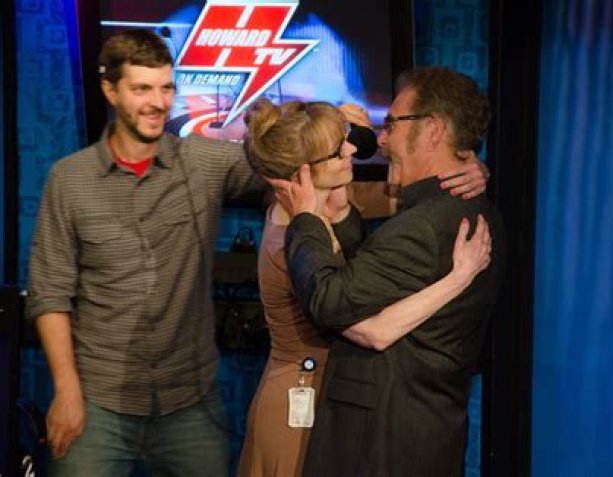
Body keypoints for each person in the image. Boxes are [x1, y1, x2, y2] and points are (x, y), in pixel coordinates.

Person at [25, 30, 488, 476]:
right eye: (141, 89)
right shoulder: (71, 179)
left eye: (166, 88)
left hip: (197, 399)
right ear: (110, 91)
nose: (158, 103)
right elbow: (50, 292)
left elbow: (286, 156)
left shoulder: (205, 161)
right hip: (112, 394)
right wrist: (457, 278)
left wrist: (464, 169)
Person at [236, 99, 492, 477]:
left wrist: (471, 170)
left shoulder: (324, 208)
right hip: (298, 407)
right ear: (305, 170)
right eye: (338, 149)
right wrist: (458, 278)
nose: (352, 149)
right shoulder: (291, 240)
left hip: (329, 397)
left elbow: (413, 189)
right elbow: (375, 331)